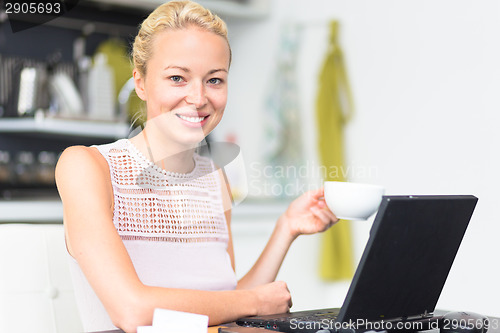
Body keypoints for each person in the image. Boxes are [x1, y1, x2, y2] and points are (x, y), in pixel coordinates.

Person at [55, 1, 338, 332]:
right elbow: (132, 311)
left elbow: (223, 304)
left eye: (214, 80)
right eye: (178, 77)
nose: (199, 97)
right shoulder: (87, 166)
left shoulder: (214, 179)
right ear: (141, 82)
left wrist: (286, 228)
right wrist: (256, 302)